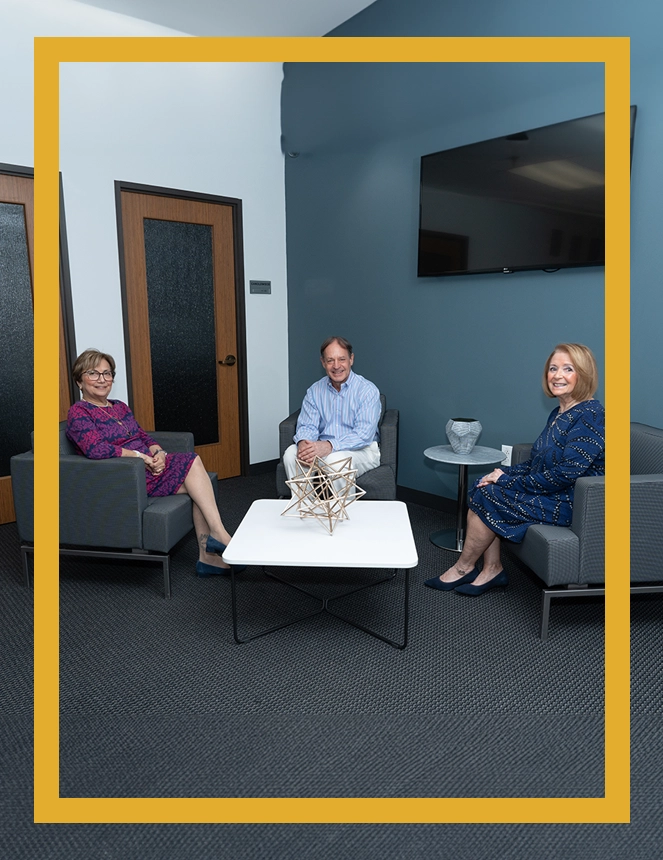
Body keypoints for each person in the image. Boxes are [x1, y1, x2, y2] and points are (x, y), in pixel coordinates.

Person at [425, 343, 605, 596]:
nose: (557, 375)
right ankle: (492, 569)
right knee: (483, 485)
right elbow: (537, 463)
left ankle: (464, 568)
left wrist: (507, 482)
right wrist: (503, 474)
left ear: (584, 374)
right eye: (553, 368)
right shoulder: (559, 412)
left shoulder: (590, 414)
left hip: (574, 501)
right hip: (554, 491)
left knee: (490, 494)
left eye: (568, 369)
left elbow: (567, 473)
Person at [66, 348, 238, 577]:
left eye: (107, 373)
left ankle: (209, 555)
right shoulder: (79, 412)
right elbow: (96, 449)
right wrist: (141, 458)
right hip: (126, 476)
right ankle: (218, 539)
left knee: (197, 483)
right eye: (93, 373)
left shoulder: (119, 407)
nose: (102, 379)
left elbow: (142, 436)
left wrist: (159, 453)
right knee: (196, 472)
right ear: (79, 380)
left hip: (148, 466)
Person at [283, 336, 381, 488]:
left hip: (361, 451)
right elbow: (307, 426)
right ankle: (304, 507)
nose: (336, 366)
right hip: (322, 448)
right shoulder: (315, 391)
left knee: (335, 461)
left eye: (342, 359)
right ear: (323, 362)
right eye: (330, 360)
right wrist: (304, 444)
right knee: (291, 453)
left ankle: (342, 510)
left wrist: (329, 446)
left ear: (351, 359)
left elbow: (363, 435)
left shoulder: (367, 390)